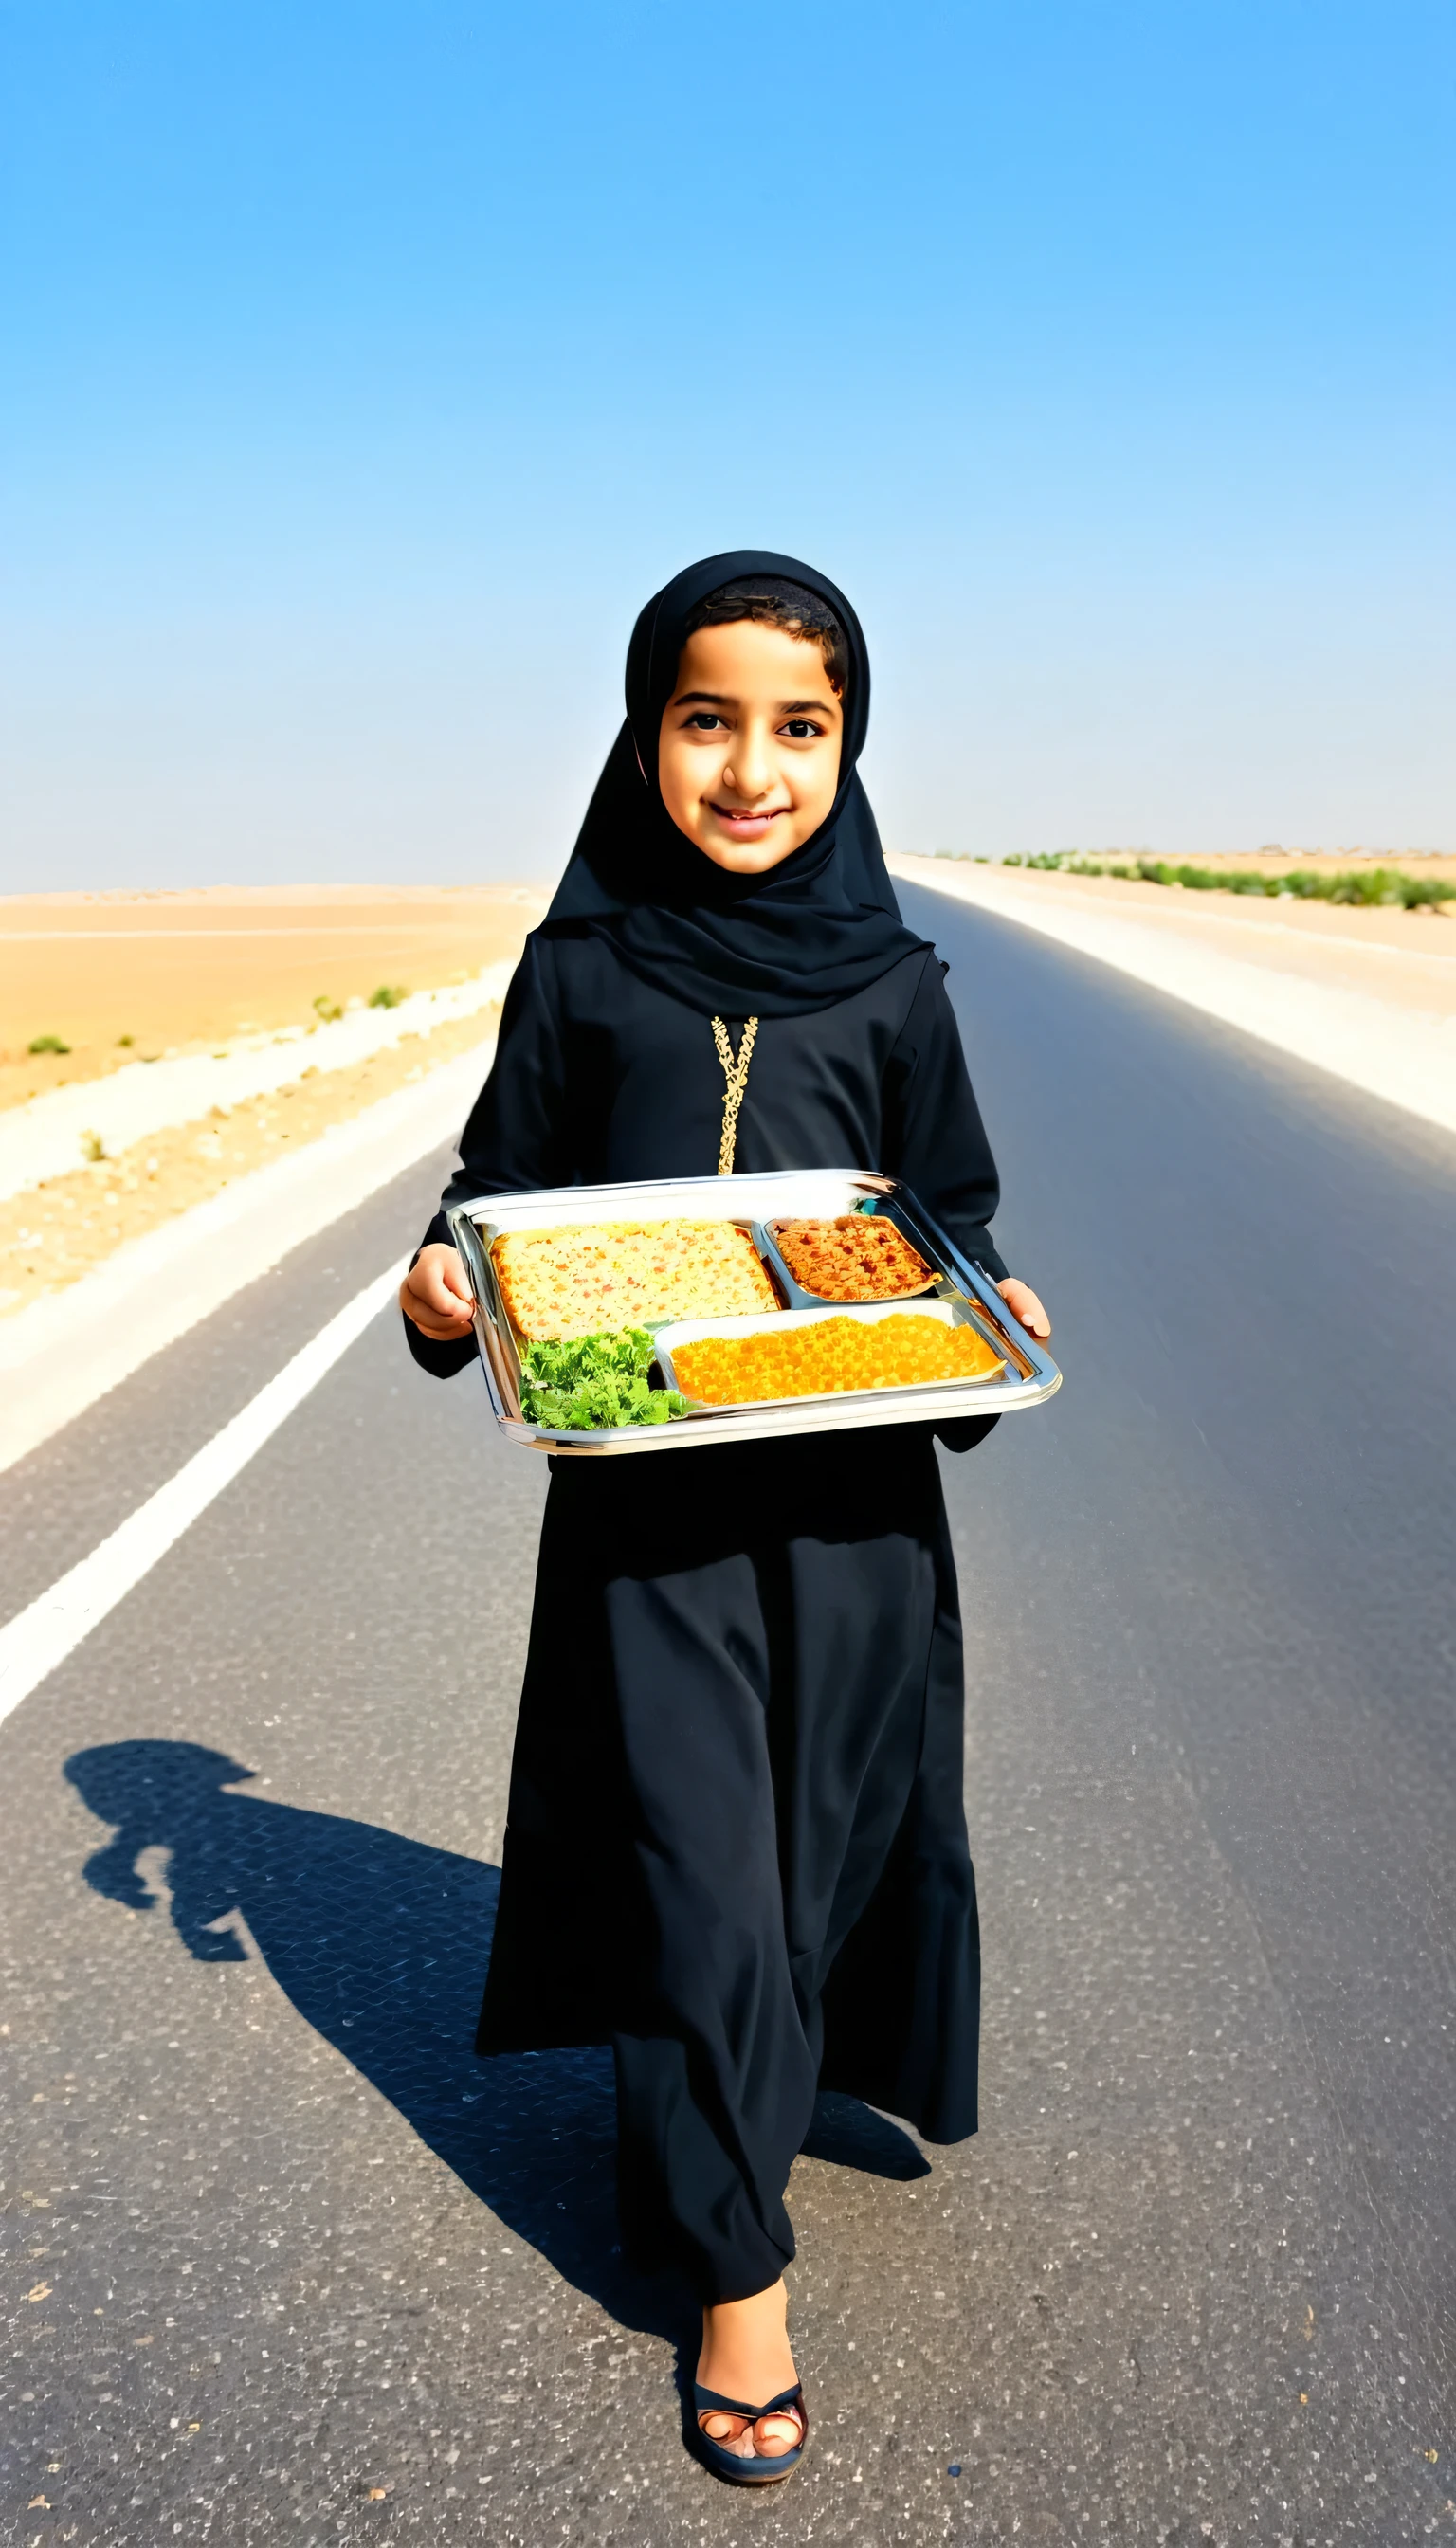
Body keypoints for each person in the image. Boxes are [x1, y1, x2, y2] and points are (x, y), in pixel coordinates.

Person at [400, 550, 1050, 2487]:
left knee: (816, 1853)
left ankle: (783, 2072)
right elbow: (494, 1201)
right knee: (697, 1880)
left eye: (800, 728)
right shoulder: (582, 970)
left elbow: (950, 1216)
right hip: (647, 1536)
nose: (751, 768)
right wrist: (442, 1295)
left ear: (849, 751)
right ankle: (736, 2281)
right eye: (708, 720)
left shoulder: (898, 982)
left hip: (857, 1518)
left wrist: (997, 1308)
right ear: (645, 731)